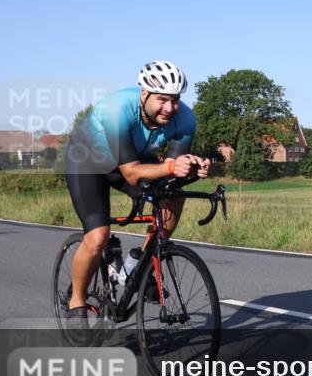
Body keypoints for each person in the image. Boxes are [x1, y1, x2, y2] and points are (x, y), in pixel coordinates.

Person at [62, 61, 211, 331]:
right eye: (162, 100)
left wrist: (191, 168)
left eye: (175, 100)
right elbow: (131, 174)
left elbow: (171, 172)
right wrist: (169, 167)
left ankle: (139, 266)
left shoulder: (185, 119)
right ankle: (76, 301)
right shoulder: (117, 109)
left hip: (130, 160)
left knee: (173, 194)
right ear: (145, 95)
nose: (169, 108)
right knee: (97, 237)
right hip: (88, 163)